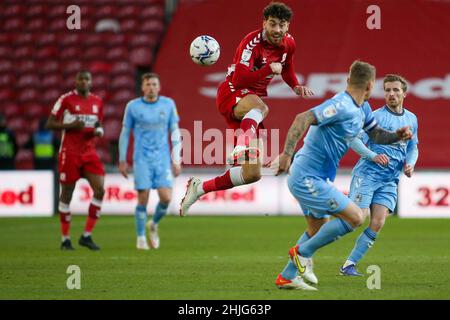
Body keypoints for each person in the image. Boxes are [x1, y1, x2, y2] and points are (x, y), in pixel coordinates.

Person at [272, 61, 412, 290]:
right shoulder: (341, 105)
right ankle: (301, 253)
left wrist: (397, 135)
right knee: (356, 217)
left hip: (317, 177)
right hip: (306, 176)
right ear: (370, 85)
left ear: (349, 81)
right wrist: (286, 154)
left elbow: (376, 134)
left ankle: (287, 277)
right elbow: (302, 118)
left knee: (317, 227)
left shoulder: (362, 108)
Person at [180, 1, 313, 216]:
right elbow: (241, 78)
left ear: (287, 26)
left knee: (252, 173)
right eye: (272, 24)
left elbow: (287, 68)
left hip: (250, 110)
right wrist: (269, 69)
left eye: (281, 25)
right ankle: (241, 145)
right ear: (264, 23)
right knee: (262, 108)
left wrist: (295, 85)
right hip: (232, 92)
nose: (277, 29)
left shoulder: (289, 43)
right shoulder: (251, 42)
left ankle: (199, 188)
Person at [339, 74, 419, 276]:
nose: (391, 94)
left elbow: (413, 147)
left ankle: (348, 265)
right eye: (387, 90)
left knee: (378, 222)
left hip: (389, 179)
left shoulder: (412, 118)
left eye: (395, 90)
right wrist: (373, 156)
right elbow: (355, 141)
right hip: (367, 174)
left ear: (404, 93)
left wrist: (410, 163)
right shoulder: (375, 117)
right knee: (358, 218)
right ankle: (315, 237)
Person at [118, 73, 181, 250]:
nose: (152, 87)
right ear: (143, 87)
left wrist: (177, 159)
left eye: (154, 84)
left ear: (159, 87)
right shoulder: (133, 106)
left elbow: (175, 132)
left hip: (162, 158)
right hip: (142, 158)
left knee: (166, 198)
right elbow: (125, 133)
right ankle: (140, 238)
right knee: (143, 197)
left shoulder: (168, 104)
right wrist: (122, 159)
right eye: (148, 84)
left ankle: (153, 224)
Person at [46, 71, 105, 251]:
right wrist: (69, 126)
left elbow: (97, 123)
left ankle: (86, 236)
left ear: (91, 82)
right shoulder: (66, 99)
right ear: (76, 82)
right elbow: (50, 123)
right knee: (67, 194)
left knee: (100, 190)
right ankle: (65, 239)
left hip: (88, 152)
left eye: (87, 79)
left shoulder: (97, 101)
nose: (84, 82)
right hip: (69, 152)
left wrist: (98, 131)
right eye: (81, 79)